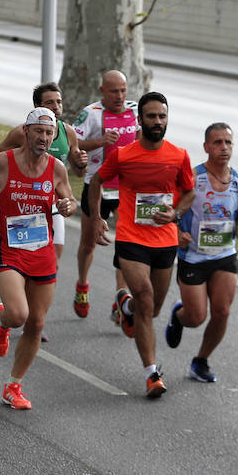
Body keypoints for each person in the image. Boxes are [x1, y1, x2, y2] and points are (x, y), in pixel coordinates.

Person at [0, 108, 77, 409]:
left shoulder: (56, 168)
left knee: (37, 324)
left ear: (54, 136)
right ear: (26, 132)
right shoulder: (2, 162)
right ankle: (2, 320)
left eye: (48, 133)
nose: (43, 138)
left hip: (42, 249)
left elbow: (69, 199)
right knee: (18, 315)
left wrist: (67, 206)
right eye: (38, 131)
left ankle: (13, 386)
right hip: (9, 247)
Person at [89, 91, 195, 398]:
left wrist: (176, 213)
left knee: (153, 308)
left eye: (162, 116)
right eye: (151, 116)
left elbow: (188, 192)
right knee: (146, 299)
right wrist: (97, 218)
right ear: (140, 120)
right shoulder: (124, 155)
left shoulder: (178, 155)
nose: (157, 121)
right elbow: (96, 181)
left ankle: (126, 305)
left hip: (165, 240)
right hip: (131, 237)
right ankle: (152, 374)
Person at [165, 122, 238, 383]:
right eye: (217, 142)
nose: (224, 147)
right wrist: (178, 232)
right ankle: (180, 317)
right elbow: (171, 211)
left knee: (222, 311)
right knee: (196, 317)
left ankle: (200, 361)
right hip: (193, 256)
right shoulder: (193, 178)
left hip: (225, 253)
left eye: (228, 142)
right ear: (206, 147)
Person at [0, 82, 88, 267]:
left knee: (52, 261)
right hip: (26, 202)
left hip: (53, 204)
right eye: (50, 102)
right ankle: (15, 290)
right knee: (21, 258)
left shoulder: (68, 132)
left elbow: (78, 172)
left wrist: (81, 164)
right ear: (37, 106)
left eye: (59, 102)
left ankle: (28, 293)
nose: (56, 107)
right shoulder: (22, 133)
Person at [72, 70, 138, 323]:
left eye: (123, 90)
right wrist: (99, 141)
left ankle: (121, 299)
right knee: (89, 244)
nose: (120, 96)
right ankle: (82, 285)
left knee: (127, 245)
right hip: (96, 186)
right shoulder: (91, 113)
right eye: (114, 91)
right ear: (102, 91)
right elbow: (73, 143)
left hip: (126, 189)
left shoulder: (134, 110)